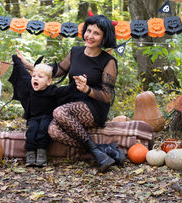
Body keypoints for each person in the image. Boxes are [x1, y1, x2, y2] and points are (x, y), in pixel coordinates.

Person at [17, 15, 124, 172]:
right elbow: (56, 71)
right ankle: (104, 150)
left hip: (94, 106)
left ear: (104, 37)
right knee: (52, 130)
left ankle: (98, 153)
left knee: (58, 111)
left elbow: (107, 96)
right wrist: (30, 65)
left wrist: (87, 89)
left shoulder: (108, 61)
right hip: (72, 100)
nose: (90, 36)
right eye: (88, 31)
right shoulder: (75, 52)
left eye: (96, 33)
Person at [8, 54, 74, 167]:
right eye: (34, 76)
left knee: (44, 129)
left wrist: (76, 82)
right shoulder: (29, 87)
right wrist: (16, 59)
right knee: (32, 130)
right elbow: (22, 72)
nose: (36, 78)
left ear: (49, 82)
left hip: (48, 116)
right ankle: (30, 153)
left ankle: (41, 152)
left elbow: (66, 91)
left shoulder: (53, 91)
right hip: (33, 117)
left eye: (40, 77)